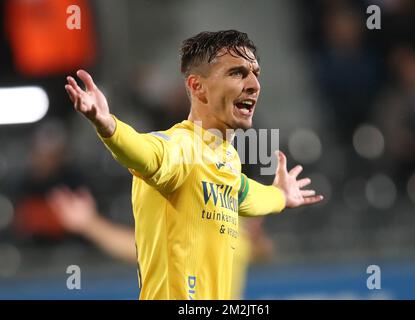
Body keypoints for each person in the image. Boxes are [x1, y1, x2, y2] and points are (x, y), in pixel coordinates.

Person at [64, 30, 323, 300]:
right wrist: (108, 125)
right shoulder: (182, 147)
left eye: (255, 73)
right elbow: (146, 153)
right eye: (237, 73)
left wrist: (280, 195)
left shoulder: (228, 160)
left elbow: (245, 195)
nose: (254, 84)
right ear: (198, 87)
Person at [48, 186, 273, 299]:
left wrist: (256, 237)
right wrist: (89, 224)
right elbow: (136, 248)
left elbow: (263, 252)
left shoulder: (232, 216)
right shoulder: (189, 222)